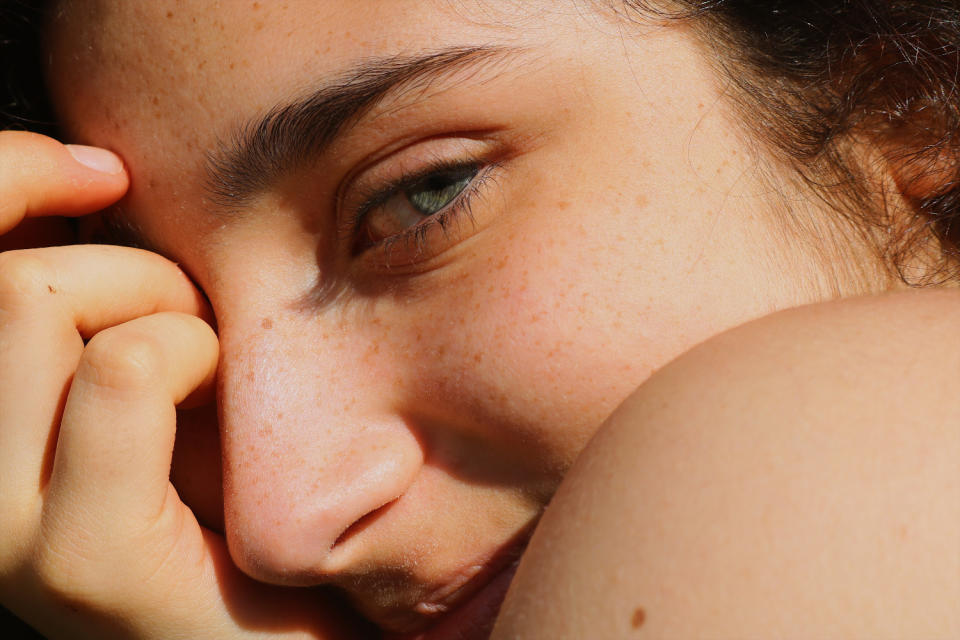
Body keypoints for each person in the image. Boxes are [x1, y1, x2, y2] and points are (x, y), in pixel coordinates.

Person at [0, 1, 957, 638]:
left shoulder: (803, 457)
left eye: (423, 196)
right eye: (162, 315)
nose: (275, 525)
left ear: (899, 107)